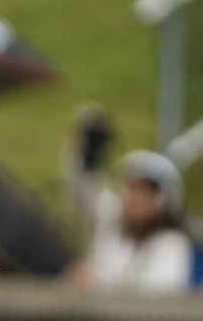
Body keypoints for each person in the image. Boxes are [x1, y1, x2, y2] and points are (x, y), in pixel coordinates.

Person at [69, 107, 194, 293]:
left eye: (144, 191)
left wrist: (97, 283)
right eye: (130, 188)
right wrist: (86, 161)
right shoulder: (111, 232)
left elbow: (158, 294)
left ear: (163, 201)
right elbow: (84, 193)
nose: (134, 198)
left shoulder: (171, 246)